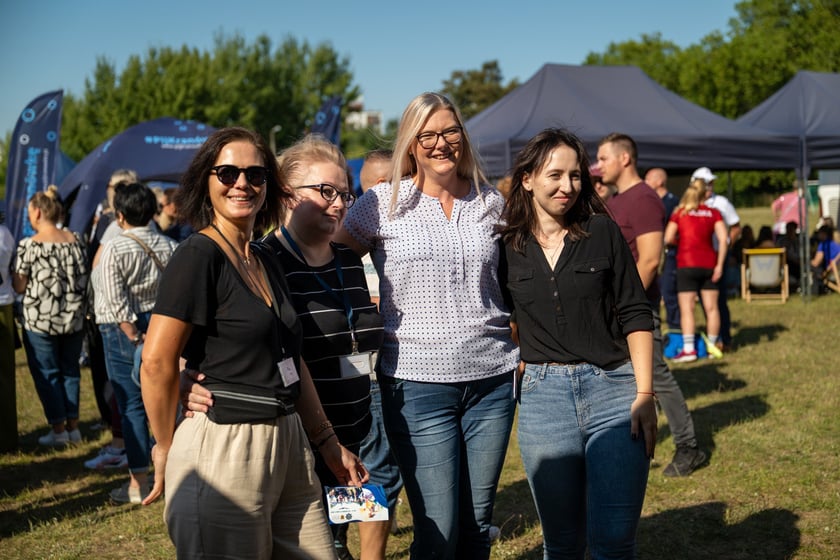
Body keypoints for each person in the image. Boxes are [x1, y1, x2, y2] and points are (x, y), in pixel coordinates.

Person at [140, 126, 367, 559]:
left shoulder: (263, 257)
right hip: (225, 447)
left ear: (269, 186)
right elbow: (155, 361)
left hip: (289, 440)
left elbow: (290, 355)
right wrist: (165, 444)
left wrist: (326, 440)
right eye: (227, 173)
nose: (242, 183)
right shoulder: (198, 255)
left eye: (255, 174)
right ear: (205, 182)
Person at [336, 92, 519, 559]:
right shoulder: (381, 203)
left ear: (463, 136)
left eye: (450, 131)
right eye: (428, 135)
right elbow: (327, 264)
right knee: (438, 532)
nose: (441, 143)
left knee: (477, 526)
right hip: (418, 385)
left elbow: (517, 278)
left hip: (492, 382)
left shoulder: (491, 202)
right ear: (411, 144)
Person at [500, 127, 657, 558]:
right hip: (543, 400)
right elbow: (498, 315)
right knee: (562, 543)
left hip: (614, 392)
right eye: (555, 175)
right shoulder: (506, 245)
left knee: (613, 542)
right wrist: (515, 355)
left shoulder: (602, 232)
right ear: (528, 179)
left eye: (575, 176)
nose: (567, 186)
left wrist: (645, 393)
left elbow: (635, 312)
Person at [262, 136, 384, 560]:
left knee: (340, 538)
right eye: (325, 191)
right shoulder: (264, 262)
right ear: (287, 194)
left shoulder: (349, 260)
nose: (339, 204)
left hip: (357, 426)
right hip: (296, 438)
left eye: (345, 194)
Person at [598, 133, 707, 477]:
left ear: (624, 159)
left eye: (603, 158)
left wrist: (622, 308)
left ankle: (689, 447)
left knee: (656, 378)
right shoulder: (616, 200)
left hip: (636, 310)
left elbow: (649, 261)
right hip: (615, 307)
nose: (598, 166)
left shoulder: (643, 198)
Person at [92, 181, 178, 503]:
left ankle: (138, 482)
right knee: (169, 400)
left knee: (131, 405)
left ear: (120, 215)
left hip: (124, 330)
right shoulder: (170, 246)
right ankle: (173, 473)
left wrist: (133, 335)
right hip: (162, 324)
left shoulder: (114, 247)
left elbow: (115, 302)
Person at [357, 148, 407, 557]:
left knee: (381, 470)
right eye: (397, 180)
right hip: (368, 376)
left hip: (392, 373)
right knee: (380, 472)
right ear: (375, 189)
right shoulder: (353, 239)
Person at [13, 186, 89, 446]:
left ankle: (58, 430)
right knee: (70, 371)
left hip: (40, 320)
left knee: (48, 373)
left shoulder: (29, 246)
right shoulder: (76, 239)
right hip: (74, 317)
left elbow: (19, 285)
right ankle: (74, 427)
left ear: (36, 212)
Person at [663, 179, 729, 362]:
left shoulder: (680, 212)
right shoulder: (713, 213)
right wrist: (720, 265)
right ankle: (713, 347)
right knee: (712, 308)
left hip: (686, 264)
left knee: (687, 309)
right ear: (705, 193)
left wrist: (681, 242)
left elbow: (668, 238)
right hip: (709, 264)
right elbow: (724, 239)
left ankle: (689, 349)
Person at [692, 166, 740, 351]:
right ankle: (708, 338)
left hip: (717, 257)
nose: (710, 187)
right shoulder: (689, 203)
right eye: (706, 183)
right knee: (701, 301)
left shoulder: (721, 203)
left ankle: (724, 340)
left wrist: (725, 246)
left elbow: (736, 227)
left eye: (711, 183)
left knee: (719, 300)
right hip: (697, 258)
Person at [645, 167, 681, 355]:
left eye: (648, 179)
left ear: (659, 181)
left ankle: (676, 332)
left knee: (669, 293)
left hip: (670, 254)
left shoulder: (673, 202)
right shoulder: (650, 202)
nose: (645, 183)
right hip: (655, 253)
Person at [0, 208, 17, 452]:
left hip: (3, 303)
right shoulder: (5, 233)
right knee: (5, 374)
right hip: (6, 302)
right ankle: (7, 436)